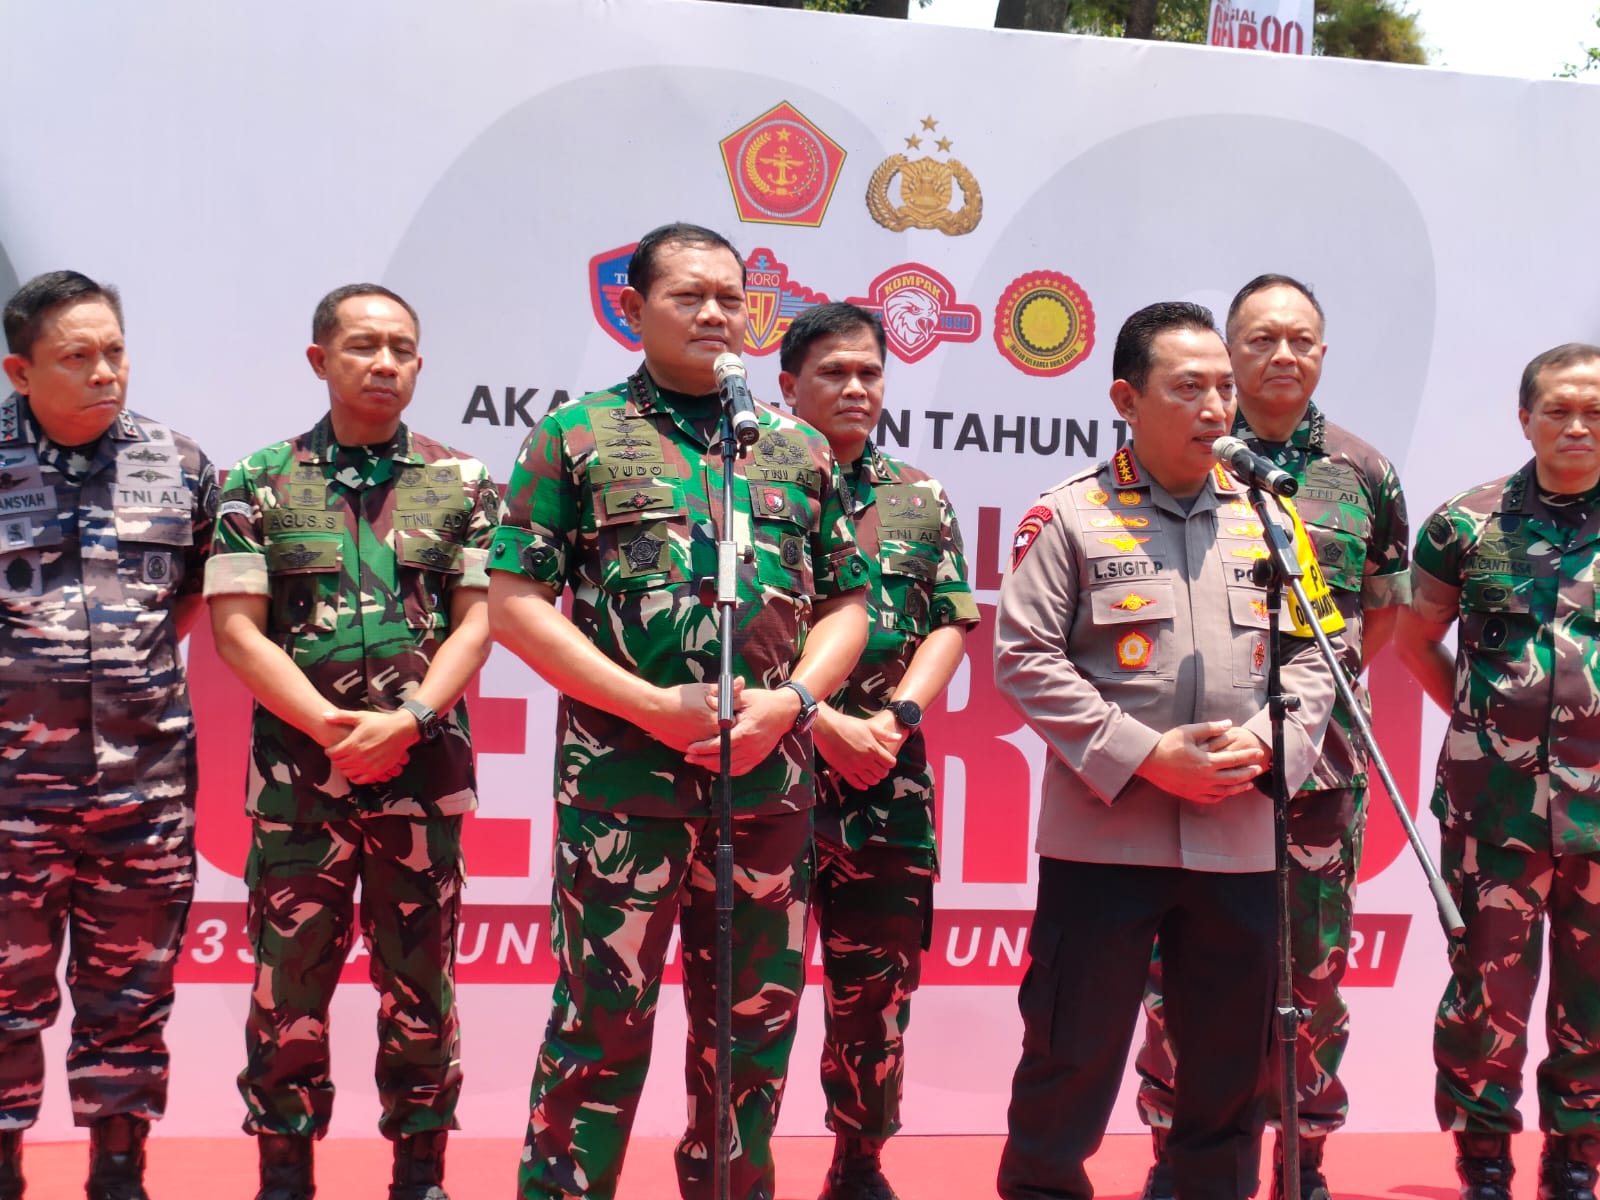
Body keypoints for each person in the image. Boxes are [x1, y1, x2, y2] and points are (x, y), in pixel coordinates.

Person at [487, 222, 869, 1200]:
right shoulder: (578, 434)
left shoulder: (790, 449)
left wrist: (791, 703)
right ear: (632, 308)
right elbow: (516, 604)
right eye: (686, 296)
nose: (712, 313)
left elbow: (847, 608)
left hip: (769, 787)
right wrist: (651, 706)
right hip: (623, 787)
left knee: (750, 1031)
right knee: (598, 1026)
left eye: (728, 298)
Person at [994, 301, 1343, 1200]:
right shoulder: (1068, 517)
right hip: (1105, 841)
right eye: (1188, 388)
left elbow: (1318, 654)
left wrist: (1271, 743)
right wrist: (1146, 756)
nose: (1216, 408)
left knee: (1232, 1075)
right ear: (1127, 398)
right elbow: (1023, 659)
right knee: (1069, 1059)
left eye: (1223, 388)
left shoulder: (1268, 515)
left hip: (1238, 838)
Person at [206, 284, 502, 1200]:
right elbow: (237, 630)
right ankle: (285, 1173)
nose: (384, 363)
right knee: (288, 986)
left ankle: (420, 1172)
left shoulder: (463, 481)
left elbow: (480, 620)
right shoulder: (260, 480)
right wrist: (328, 729)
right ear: (319, 360)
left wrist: (408, 721)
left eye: (402, 349)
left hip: (421, 777)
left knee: (423, 986)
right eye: (364, 346)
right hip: (301, 780)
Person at [1134, 275, 1411, 1200]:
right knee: (1187, 969)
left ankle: (1304, 1155)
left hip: (1318, 770)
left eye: (1299, 340)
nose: (1280, 355)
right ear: (1230, 352)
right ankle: (1179, 1152)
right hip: (1203, 762)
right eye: (1259, 340)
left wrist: (1304, 706)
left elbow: (1378, 614)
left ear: (1323, 353)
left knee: (1315, 972)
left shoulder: (1364, 472)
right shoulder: (1183, 454)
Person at [0, 271, 216, 1200]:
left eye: (115, 352)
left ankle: (118, 1173)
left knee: (131, 998)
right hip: (8, 799)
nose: (105, 374)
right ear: (20, 370)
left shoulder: (181, 465)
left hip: (145, 791)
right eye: (77, 358)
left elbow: (201, 594)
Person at [776, 303, 979, 1200]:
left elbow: (949, 621)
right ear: (788, 388)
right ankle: (733, 1162)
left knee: (878, 991)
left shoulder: (918, 495)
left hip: (886, 778)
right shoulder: (744, 491)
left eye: (869, 373)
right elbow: (732, 636)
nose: (856, 389)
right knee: (749, 994)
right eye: (833, 374)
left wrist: (893, 720)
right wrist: (822, 723)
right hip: (768, 773)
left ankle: (860, 1163)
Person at [1394, 343, 1600, 1200]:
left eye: (1594, 411)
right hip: (1494, 813)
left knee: (1594, 1002)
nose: (1578, 426)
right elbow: (1413, 638)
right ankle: (1484, 1159)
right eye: (1558, 410)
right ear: (1526, 419)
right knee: (1486, 996)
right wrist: (1485, 728)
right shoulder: (1465, 525)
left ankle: (1577, 1158)